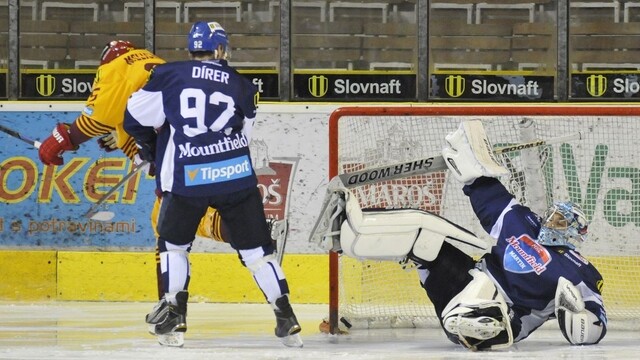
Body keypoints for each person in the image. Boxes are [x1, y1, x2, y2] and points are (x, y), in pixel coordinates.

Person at [35, 39, 288, 302]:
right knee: (187, 214)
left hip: (177, 159)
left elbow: (98, 117)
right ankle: (256, 232)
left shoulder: (116, 67)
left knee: (166, 226)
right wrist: (123, 138)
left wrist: (62, 139)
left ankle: (168, 305)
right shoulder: (157, 65)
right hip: (205, 150)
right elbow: (138, 114)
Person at [321, 120, 606, 350]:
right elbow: (490, 199)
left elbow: (592, 329)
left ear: (571, 233)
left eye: (560, 221)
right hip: (467, 280)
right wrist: (472, 170)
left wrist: (575, 312)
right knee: (423, 233)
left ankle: (470, 324)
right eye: (553, 215)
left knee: (485, 315)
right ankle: (346, 234)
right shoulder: (524, 222)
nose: (550, 221)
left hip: (506, 318)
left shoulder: (581, 272)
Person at [123, 21, 303, 348]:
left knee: (174, 246)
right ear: (220, 49)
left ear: (192, 49)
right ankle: (286, 315)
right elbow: (243, 137)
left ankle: (175, 312)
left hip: (188, 178)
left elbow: (133, 118)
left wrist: (149, 148)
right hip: (234, 176)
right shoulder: (244, 87)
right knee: (258, 254)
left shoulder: (170, 75)